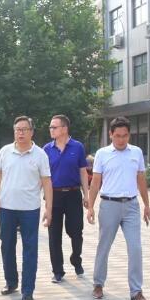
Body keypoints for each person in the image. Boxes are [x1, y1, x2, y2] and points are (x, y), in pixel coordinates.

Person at [87, 116, 150, 300]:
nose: (121, 140)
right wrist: (90, 207)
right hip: (109, 205)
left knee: (135, 248)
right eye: (117, 136)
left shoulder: (136, 152)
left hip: (131, 206)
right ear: (110, 134)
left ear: (129, 135)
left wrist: (147, 205)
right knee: (104, 246)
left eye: (125, 136)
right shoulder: (102, 154)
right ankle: (98, 284)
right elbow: (95, 182)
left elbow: (141, 179)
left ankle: (136, 290)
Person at [0, 116, 52, 300]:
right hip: (7, 208)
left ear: (32, 132)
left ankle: (28, 289)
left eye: (24, 129)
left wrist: (49, 208)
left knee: (30, 249)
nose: (20, 133)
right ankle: (11, 282)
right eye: (17, 129)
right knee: (7, 246)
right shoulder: (5, 151)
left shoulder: (40, 154)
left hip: (30, 209)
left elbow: (47, 182)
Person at [43, 114, 90, 283]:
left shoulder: (77, 147)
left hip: (73, 194)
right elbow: (43, 176)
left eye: (54, 127)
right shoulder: (46, 149)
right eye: (50, 127)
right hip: (53, 195)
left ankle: (76, 260)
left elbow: (83, 172)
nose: (51, 129)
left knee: (76, 232)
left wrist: (86, 195)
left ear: (64, 128)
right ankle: (57, 270)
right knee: (54, 234)